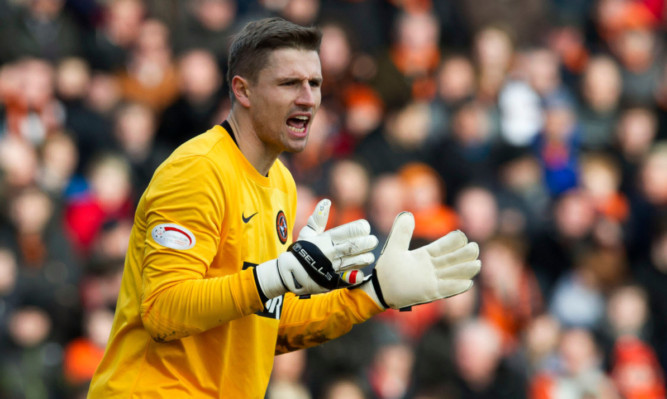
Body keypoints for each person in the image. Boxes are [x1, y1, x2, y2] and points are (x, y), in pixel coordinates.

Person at [87, 17, 481, 398]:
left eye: (315, 83)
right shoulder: (198, 171)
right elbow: (162, 311)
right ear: (243, 91)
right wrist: (272, 277)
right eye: (290, 83)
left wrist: (372, 295)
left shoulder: (282, 183)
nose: (308, 99)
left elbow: (264, 327)